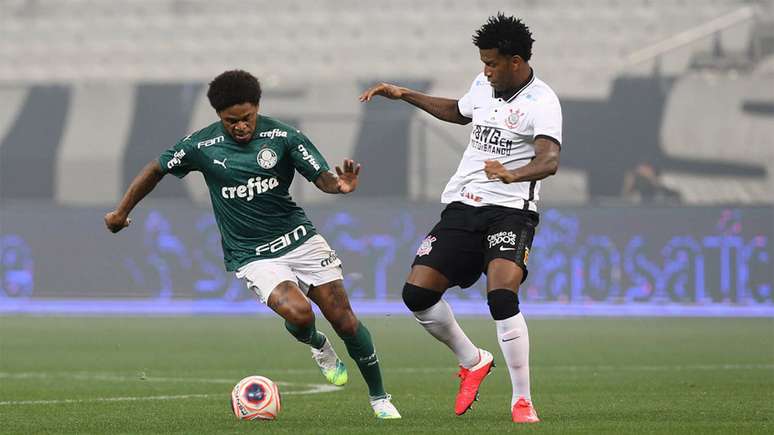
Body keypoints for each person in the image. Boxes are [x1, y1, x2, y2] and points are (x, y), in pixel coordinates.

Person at [105, 70, 400, 419]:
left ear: (257, 108)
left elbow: (321, 177)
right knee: (300, 313)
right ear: (219, 116)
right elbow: (156, 168)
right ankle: (317, 344)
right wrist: (121, 212)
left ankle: (380, 398)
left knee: (345, 321)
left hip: (300, 239)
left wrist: (340, 186)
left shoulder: (284, 137)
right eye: (232, 121)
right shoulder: (201, 146)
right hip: (251, 253)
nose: (241, 127)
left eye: (247, 118)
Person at [359, 13, 562, 423]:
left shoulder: (542, 101)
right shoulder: (483, 86)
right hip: (463, 205)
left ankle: (522, 400)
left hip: (510, 212)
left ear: (517, 62)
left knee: (501, 296)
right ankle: (472, 361)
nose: (485, 70)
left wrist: (513, 174)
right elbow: (457, 111)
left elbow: (550, 159)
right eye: (483, 62)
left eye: (492, 63)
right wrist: (403, 94)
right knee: (417, 295)